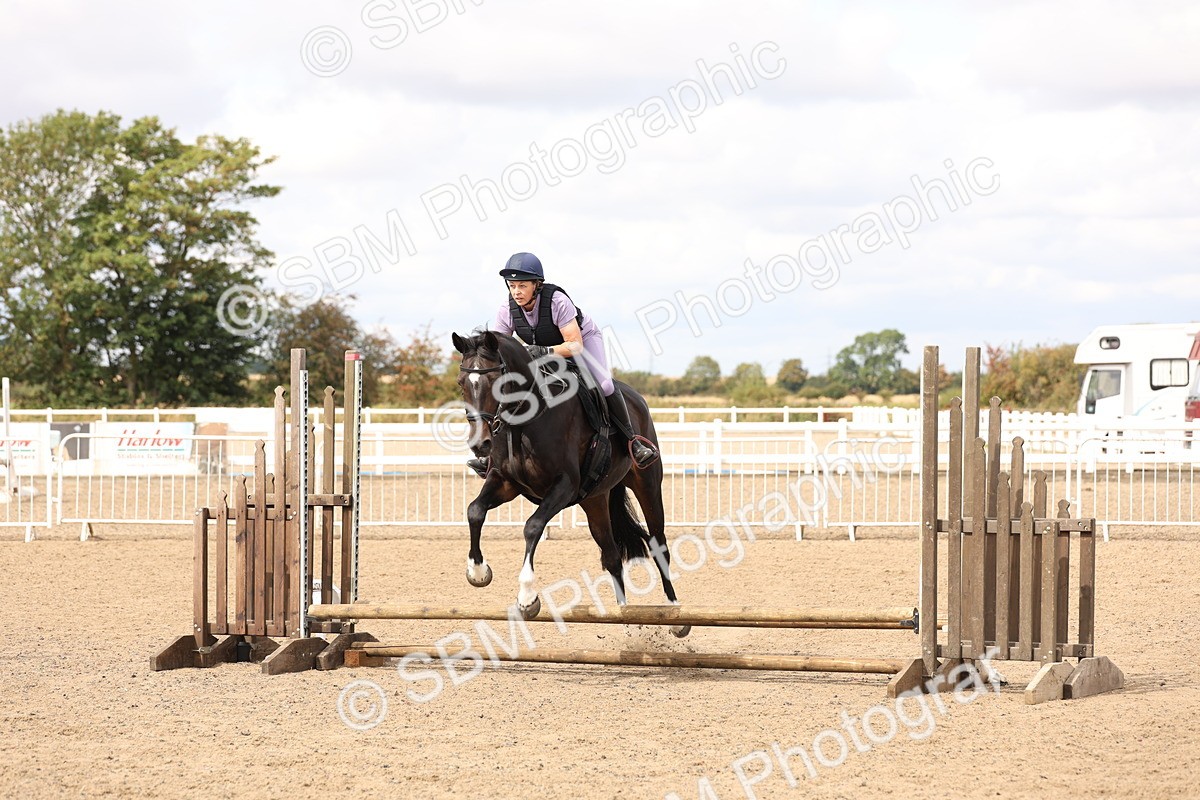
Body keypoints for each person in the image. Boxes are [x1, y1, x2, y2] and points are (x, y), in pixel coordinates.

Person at [465, 252, 659, 476]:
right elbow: (496, 346)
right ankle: (491, 458)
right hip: (544, 353)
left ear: (536, 285)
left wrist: (544, 351)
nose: (516, 292)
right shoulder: (507, 309)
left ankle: (633, 442)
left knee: (604, 384)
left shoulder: (557, 301)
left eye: (522, 286)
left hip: (581, 341)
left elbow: (574, 345)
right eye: (512, 286)